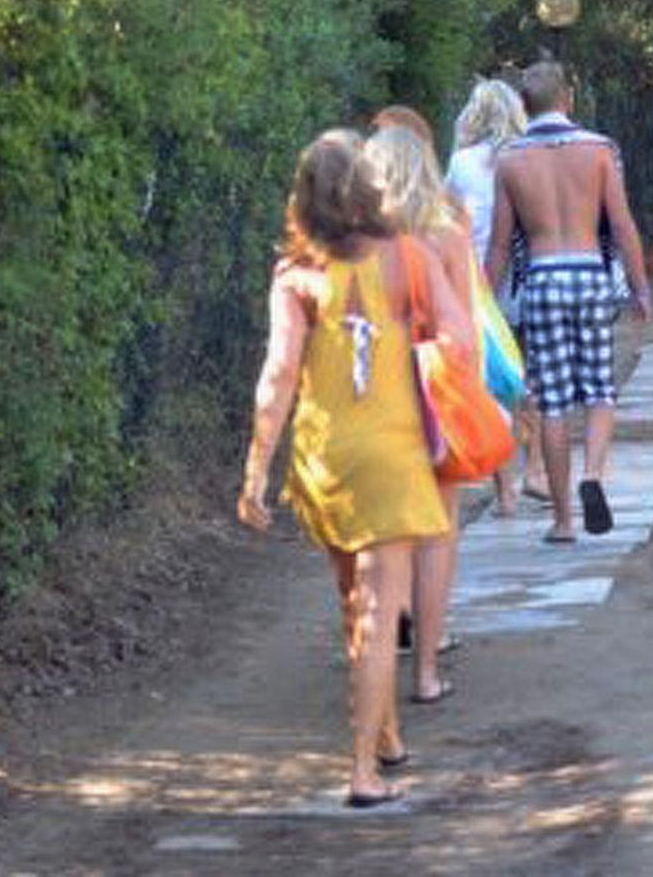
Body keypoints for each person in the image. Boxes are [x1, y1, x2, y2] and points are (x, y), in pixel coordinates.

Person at [236, 130, 467, 808]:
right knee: (376, 605)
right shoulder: (410, 257)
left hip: (323, 456)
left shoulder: (296, 276)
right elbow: (454, 336)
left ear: (304, 198)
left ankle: (387, 734)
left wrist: (254, 471)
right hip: (392, 454)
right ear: (368, 190)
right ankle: (364, 768)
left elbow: (277, 377)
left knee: (352, 602)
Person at [487, 61, 651, 544]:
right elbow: (621, 225)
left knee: (553, 403)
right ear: (569, 100)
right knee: (599, 391)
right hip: (589, 273)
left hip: (541, 278)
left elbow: (499, 244)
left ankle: (562, 521)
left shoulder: (510, 160)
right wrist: (640, 286)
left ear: (523, 107)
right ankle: (593, 477)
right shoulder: (599, 151)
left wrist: (482, 302)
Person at [365, 113, 475, 708]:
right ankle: (426, 672)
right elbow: (468, 328)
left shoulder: (352, 243)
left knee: (380, 533)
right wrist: (473, 400)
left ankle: (377, 658)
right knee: (437, 533)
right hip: (434, 394)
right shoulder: (445, 234)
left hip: (371, 399)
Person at [443, 78, 544, 514]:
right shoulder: (530, 157)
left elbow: (445, 218)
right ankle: (537, 467)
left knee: (493, 380)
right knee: (532, 376)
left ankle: (505, 491)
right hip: (526, 278)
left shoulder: (462, 163)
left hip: (478, 284)